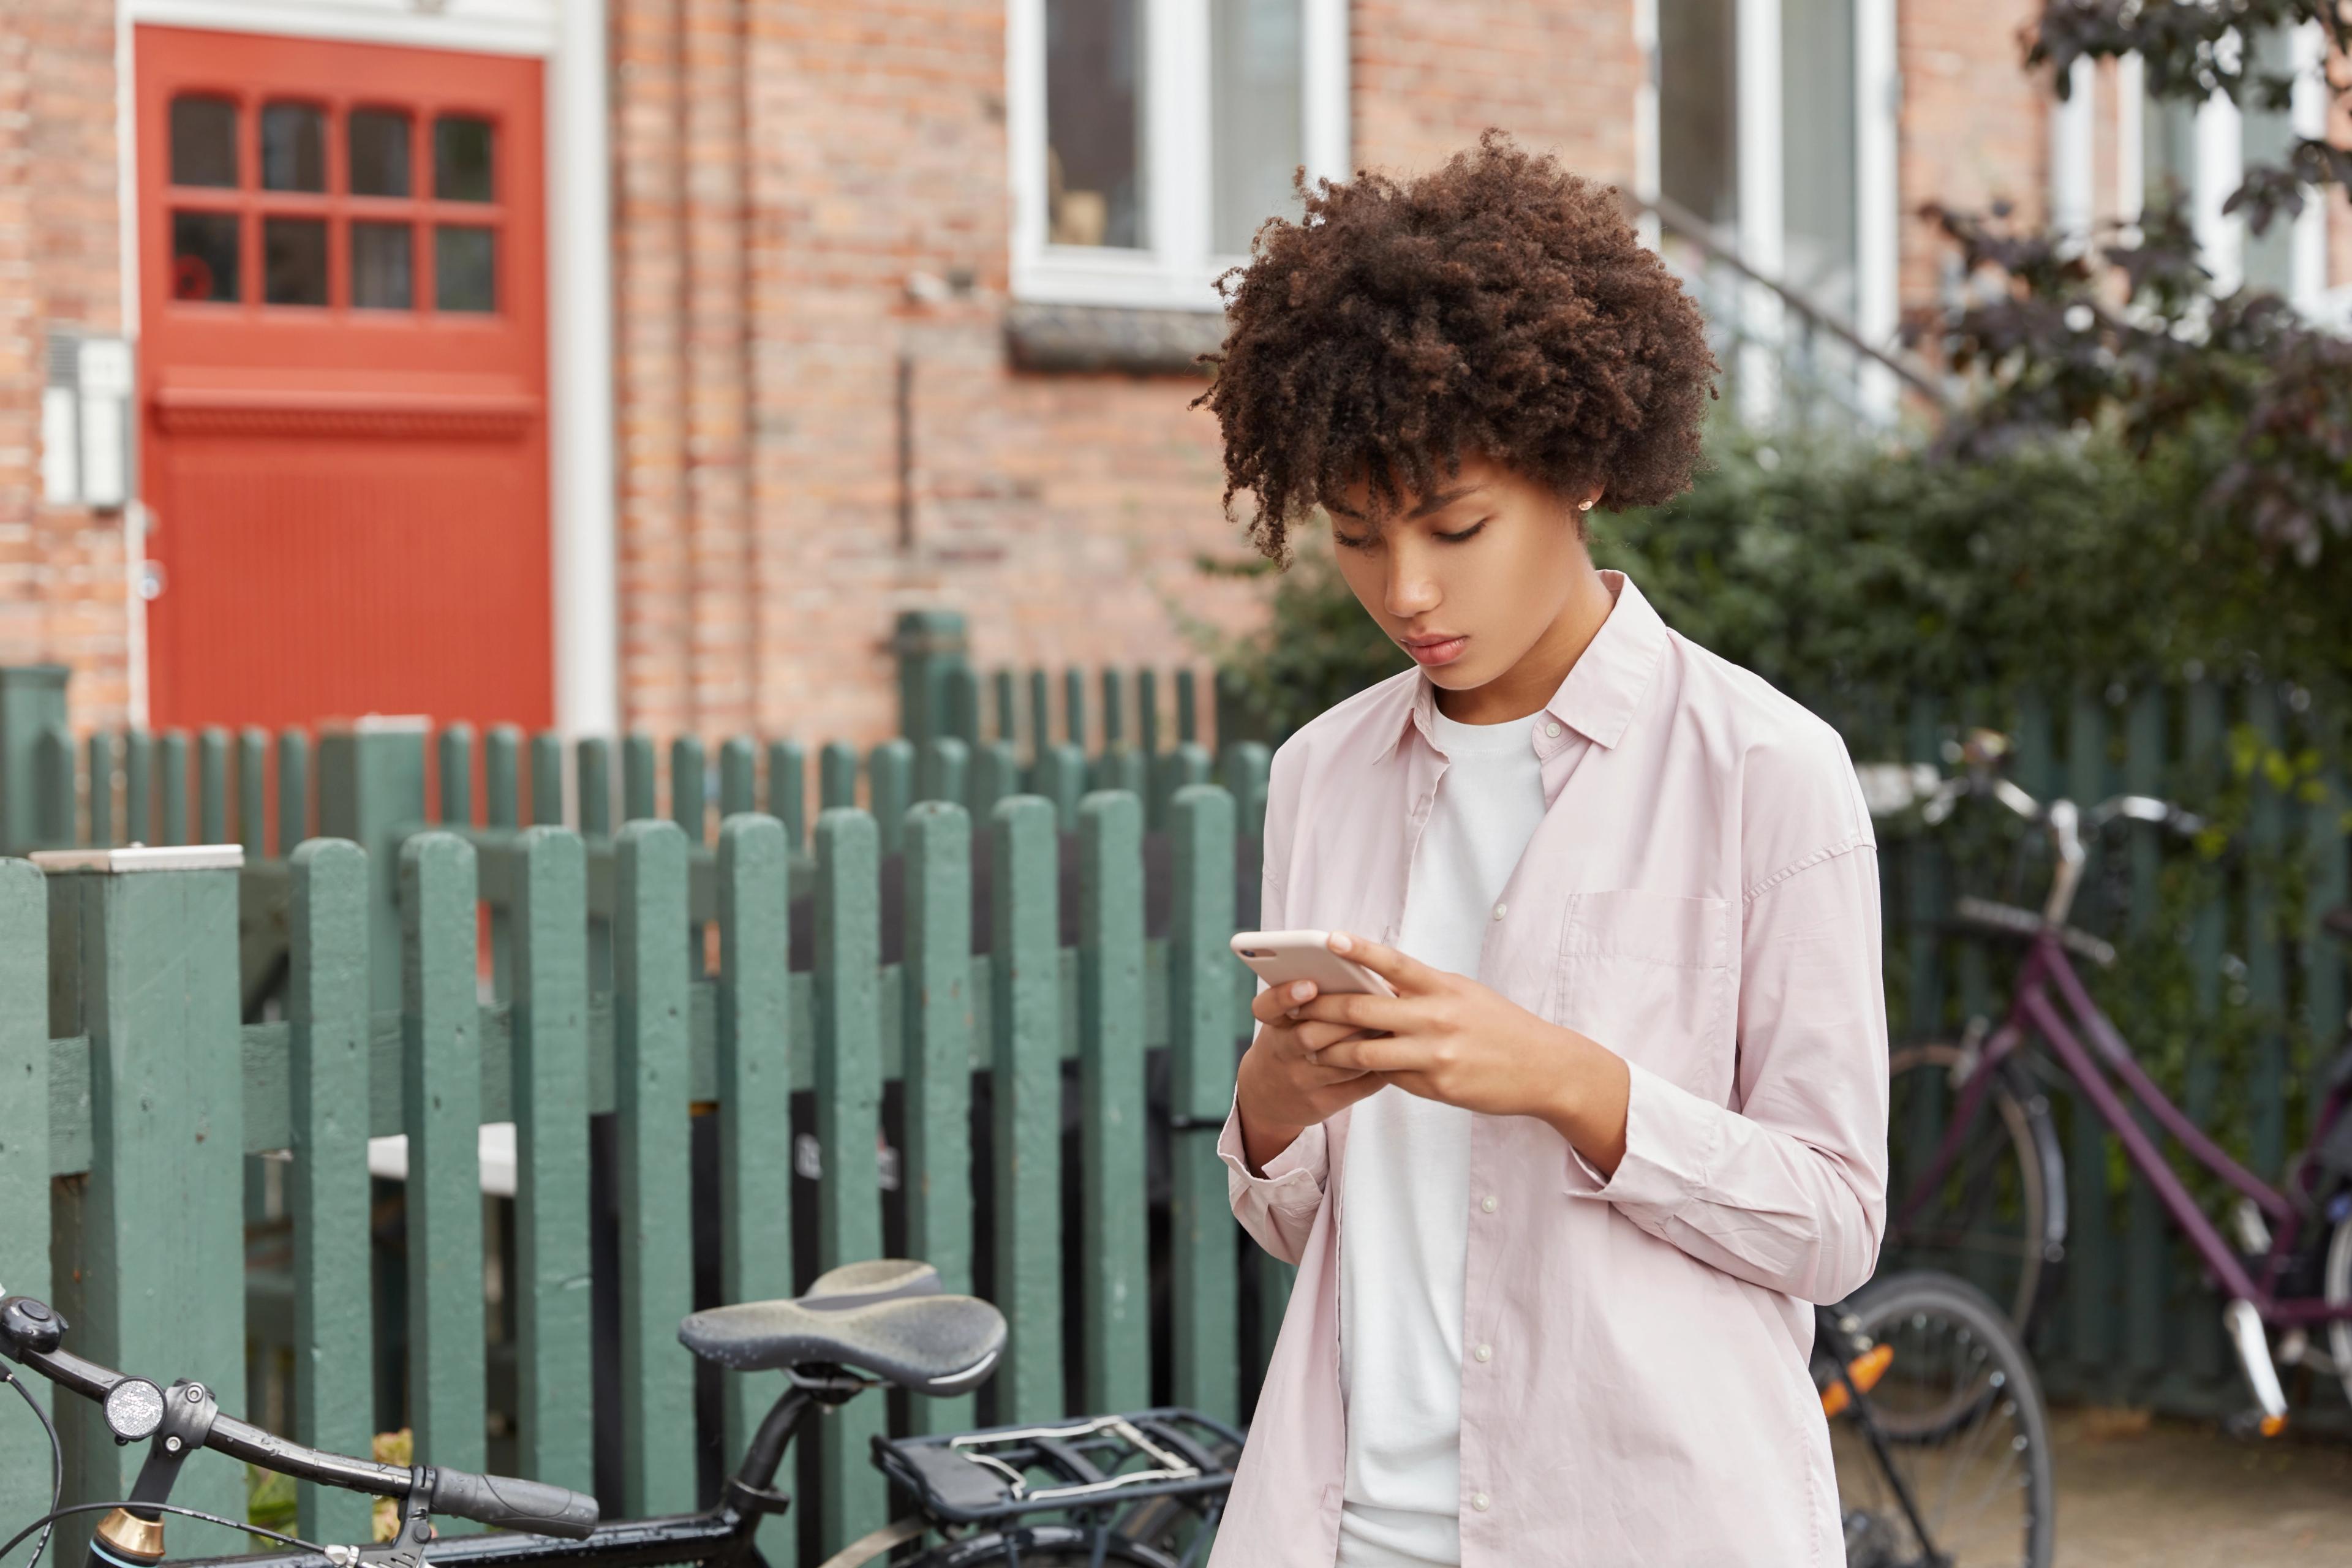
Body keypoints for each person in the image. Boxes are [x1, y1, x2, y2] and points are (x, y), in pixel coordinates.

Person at [1191, 134, 1890, 1567]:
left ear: (1575, 468)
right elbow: (1300, 1221)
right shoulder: (1321, 773)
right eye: (1359, 538)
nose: (1410, 588)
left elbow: (1835, 1221)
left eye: (1456, 525)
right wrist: (1273, 1101)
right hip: (1347, 1527)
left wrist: (1576, 1084)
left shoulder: (1766, 771)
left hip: (1646, 1525)